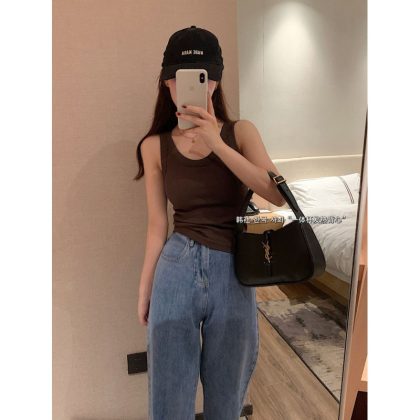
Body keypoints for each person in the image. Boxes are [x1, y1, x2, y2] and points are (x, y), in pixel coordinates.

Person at [134, 25, 285, 420]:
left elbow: (276, 194)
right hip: (176, 267)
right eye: (178, 78)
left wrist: (217, 143)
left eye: (204, 77)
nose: (187, 88)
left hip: (232, 270)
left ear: (215, 81)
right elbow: (157, 225)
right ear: (166, 82)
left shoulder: (241, 132)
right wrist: (145, 288)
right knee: (169, 398)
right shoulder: (154, 146)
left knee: (227, 398)